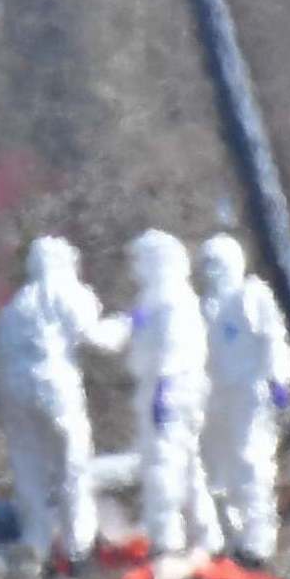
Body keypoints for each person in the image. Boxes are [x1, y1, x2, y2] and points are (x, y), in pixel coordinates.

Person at [0, 237, 112, 573]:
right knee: (72, 467)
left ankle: (36, 546)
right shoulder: (65, 291)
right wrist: (130, 326)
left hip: (13, 393)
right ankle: (78, 550)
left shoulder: (18, 303)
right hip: (54, 388)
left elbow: (2, 351)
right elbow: (95, 337)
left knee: (28, 469)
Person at [111, 230, 221, 556]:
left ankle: (166, 539)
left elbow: (172, 347)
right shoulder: (160, 298)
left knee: (164, 463)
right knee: (188, 465)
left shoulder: (172, 299)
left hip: (172, 390)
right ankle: (207, 534)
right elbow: (138, 327)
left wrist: (164, 389)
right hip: (171, 389)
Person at [196, 234, 290, 567]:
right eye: (207, 266)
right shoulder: (202, 308)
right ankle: (225, 535)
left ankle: (258, 543)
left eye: (217, 265)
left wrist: (279, 378)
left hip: (250, 394)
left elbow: (274, 338)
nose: (212, 273)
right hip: (216, 396)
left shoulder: (251, 296)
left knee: (251, 462)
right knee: (215, 468)